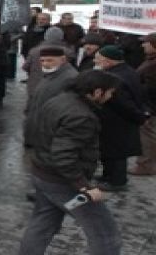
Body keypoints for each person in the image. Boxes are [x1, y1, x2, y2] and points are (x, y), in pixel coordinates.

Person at [18, 70, 123, 255]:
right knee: (104, 232)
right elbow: (64, 155)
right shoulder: (82, 116)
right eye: (109, 92)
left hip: (42, 173)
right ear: (97, 92)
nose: (110, 97)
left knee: (43, 223)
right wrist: (84, 186)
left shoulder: (58, 101)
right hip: (64, 184)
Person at [93, 46, 146, 191]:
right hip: (117, 120)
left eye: (98, 59)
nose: (95, 61)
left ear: (108, 61)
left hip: (118, 122)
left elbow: (124, 104)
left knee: (117, 153)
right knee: (110, 151)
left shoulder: (115, 79)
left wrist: (138, 118)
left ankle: (117, 182)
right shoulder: (124, 70)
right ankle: (107, 175)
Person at [132, 33, 156, 176]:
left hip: (150, 106)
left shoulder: (153, 64)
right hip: (148, 104)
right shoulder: (150, 60)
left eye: (146, 42)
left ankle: (145, 166)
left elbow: (150, 88)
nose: (143, 45)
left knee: (147, 135)